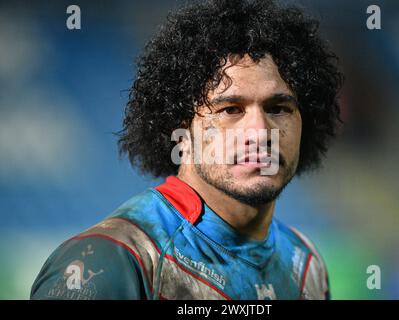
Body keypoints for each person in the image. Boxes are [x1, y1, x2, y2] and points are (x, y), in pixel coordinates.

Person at [31, 0, 342, 300]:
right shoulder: (114, 260)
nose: (260, 132)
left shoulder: (306, 265)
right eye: (230, 109)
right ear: (179, 130)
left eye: (278, 108)